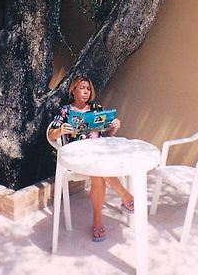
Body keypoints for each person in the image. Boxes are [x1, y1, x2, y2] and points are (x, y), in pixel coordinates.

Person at [48, 75, 134, 242]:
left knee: (98, 172)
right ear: (73, 90)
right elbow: (51, 134)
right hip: (77, 157)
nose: (86, 92)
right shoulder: (65, 111)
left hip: (99, 154)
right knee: (98, 170)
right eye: (82, 88)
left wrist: (113, 127)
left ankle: (97, 222)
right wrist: (60, 130)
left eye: (88, 89)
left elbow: (106, 133)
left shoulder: (96, 108)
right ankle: (124, 196)